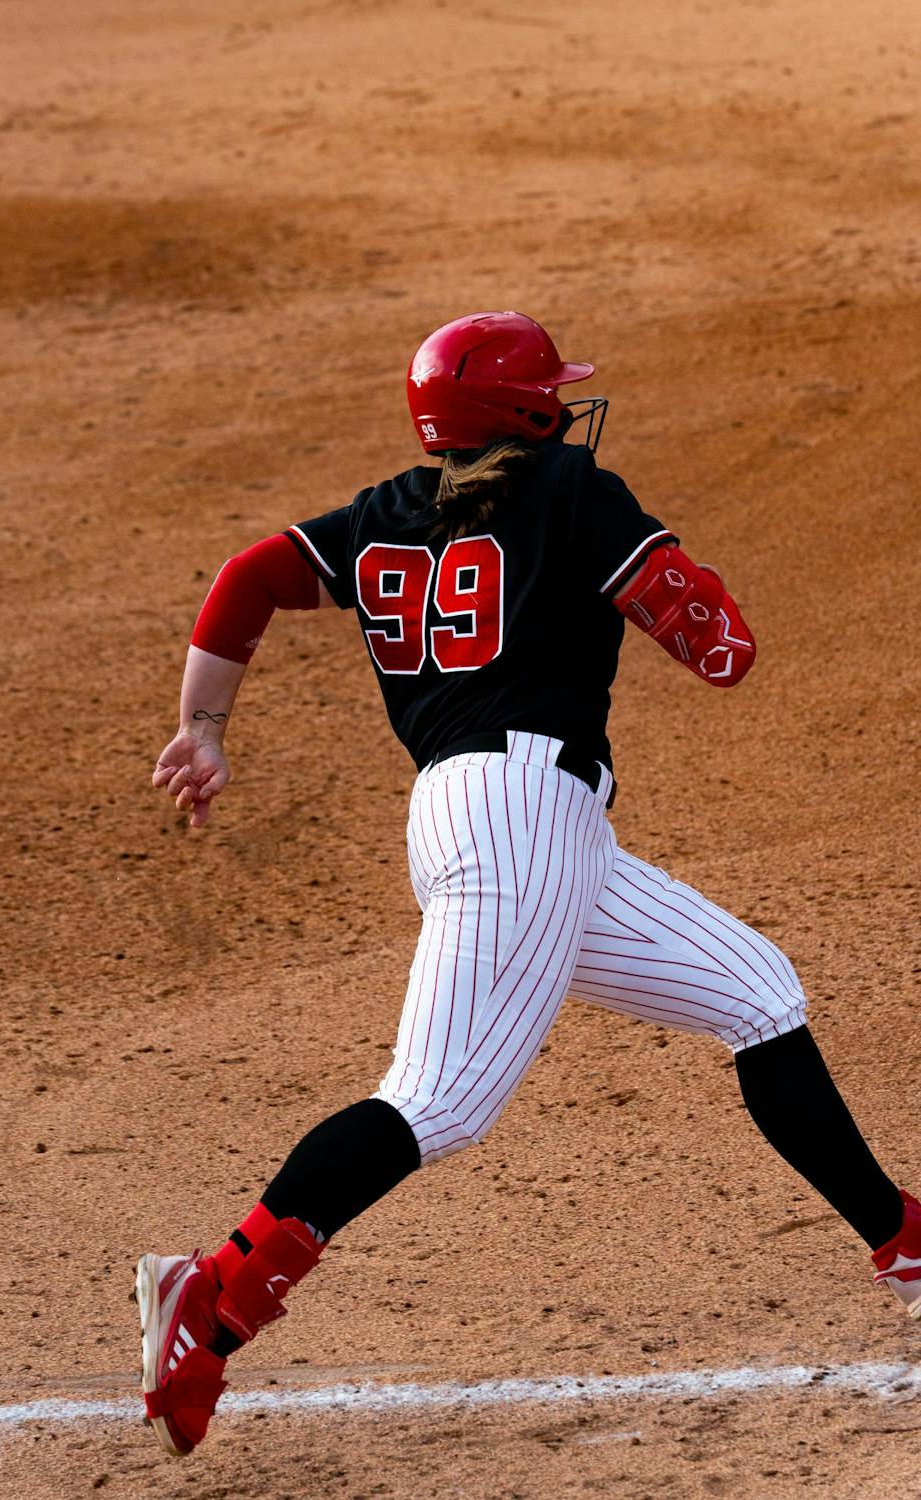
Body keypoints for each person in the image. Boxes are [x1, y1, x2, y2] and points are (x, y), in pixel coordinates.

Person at [137, 311, 919, 1458]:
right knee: (436, 1100)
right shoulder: (571, 492)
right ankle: (214, 1296)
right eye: (551, 390)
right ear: (528, 412)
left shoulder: (383, 514)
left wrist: (202, 727)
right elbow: (722, 653)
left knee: (757, 989)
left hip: (496, 819)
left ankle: (902, 1243)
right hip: (520, 820)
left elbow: (248, 576)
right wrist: (687, 602)